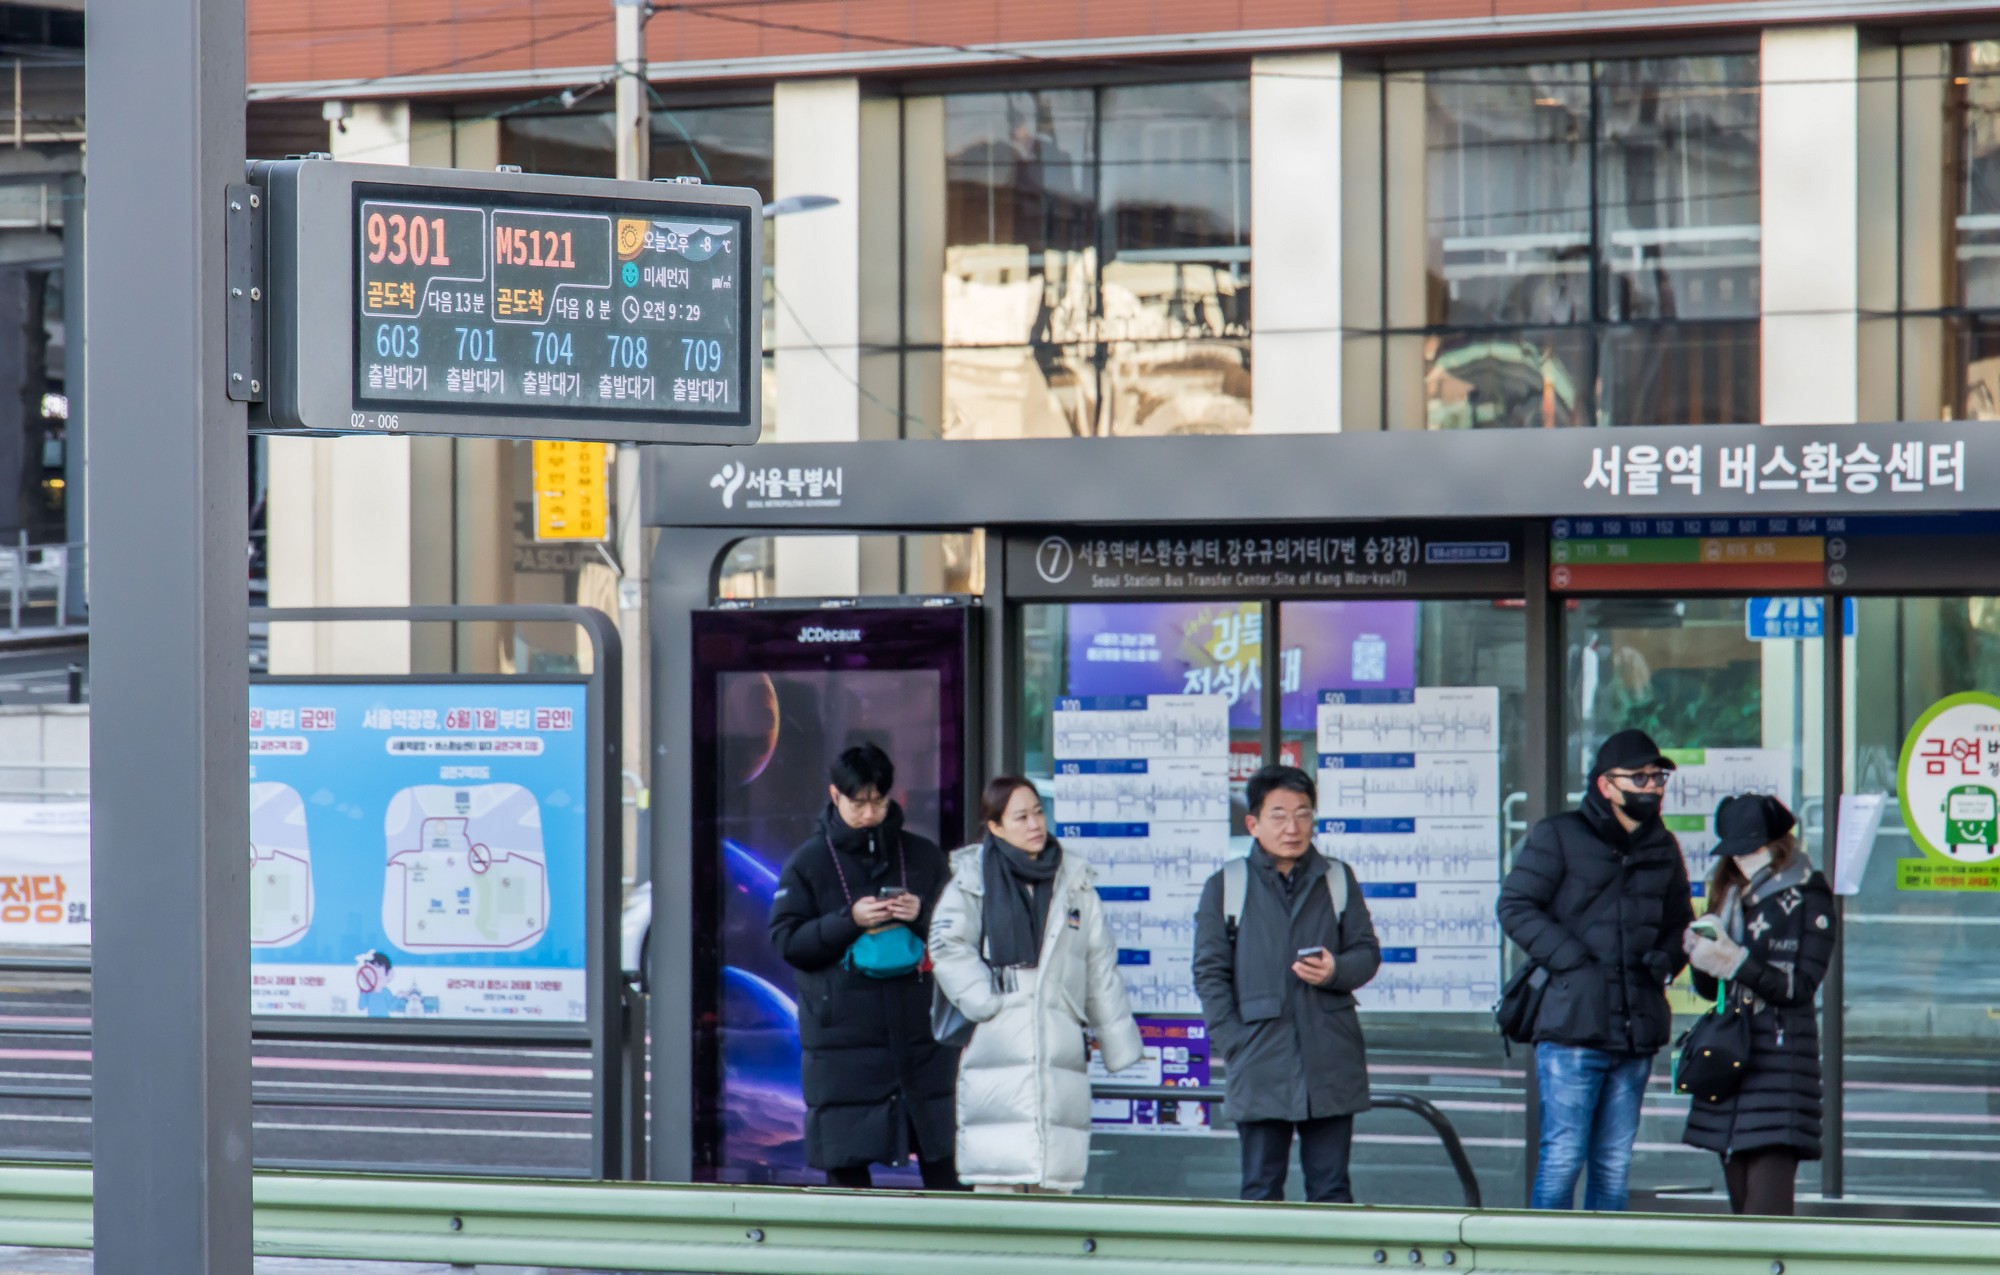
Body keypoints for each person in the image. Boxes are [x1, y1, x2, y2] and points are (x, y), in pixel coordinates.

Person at [1498, 728, 1694, 1211]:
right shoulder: (1560, 835)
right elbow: (1516, 906)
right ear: (1606, 785)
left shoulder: (1662, 846)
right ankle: (1542, 1263)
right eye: (1640, 776)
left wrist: (1665, 961)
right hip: (1572, 1025)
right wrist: (1574, 964)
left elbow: (1680, 923)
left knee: (1613, 1163)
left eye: (1659, 776)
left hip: (1636, 1027)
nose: (1652, 785)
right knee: (1563, 1158)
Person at [928, 775, 1141, 1193]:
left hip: (1058, 1039)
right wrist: (983, 1002)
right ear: (995, 826)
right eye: (1020, 816)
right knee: (999, 1186)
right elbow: (947, 943)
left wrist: (1119, 1043)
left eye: (1038, 812)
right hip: (995, 1042)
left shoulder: (1075, 881)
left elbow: (1099, 967)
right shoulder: (973, 878)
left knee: (1054, 1181)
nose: (1034, 824)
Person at [769, 743, 962, 1190]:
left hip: (921, 1037)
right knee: (847, 1172)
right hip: (842, 1042)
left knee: (945, 1165)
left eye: (879, 800)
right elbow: (787, 940)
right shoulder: (809, 863)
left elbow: (961, 937)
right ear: (835, 796)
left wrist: (922, 913)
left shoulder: (922, 855)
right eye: (859, 803)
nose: (870, 813)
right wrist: (848, 920)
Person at [1193, 765, 1382, 1204]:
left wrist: (1336, 971)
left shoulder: (1337, 878)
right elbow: (1209, 972)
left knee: (1332, 1190)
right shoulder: (1227, 886)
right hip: (1259, 1057)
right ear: (1253, 823)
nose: (1293, 828)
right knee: (1260, 1189)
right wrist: (1233, 1043)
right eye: (1278, 815)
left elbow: (1367, 954)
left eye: (1303, 814)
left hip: (1330, 1056)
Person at [1680, 794, 1836, 1217]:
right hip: (1730, 1059)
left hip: (1780, 1062)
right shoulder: (1727, 891)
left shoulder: (1809, 893)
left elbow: (1799, 986)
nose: (1741, 858)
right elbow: (1711, 988)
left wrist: (1735, 961)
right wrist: (1701, 954)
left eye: (1750, 847)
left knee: (1766, 1215)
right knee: (1739, 1211)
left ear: (1776, 843)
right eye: (1734, 849)